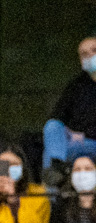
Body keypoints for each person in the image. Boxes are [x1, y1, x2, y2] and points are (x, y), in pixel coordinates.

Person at [40, 36, 96, 177]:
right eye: (84, 54)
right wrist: (68, 132)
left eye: (94, 50)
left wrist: (85, 134)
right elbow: (58, 116)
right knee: (52, 130)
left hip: (91, 140)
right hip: (77, 142)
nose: (89, 56)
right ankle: (54, 184)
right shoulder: (77, 85)